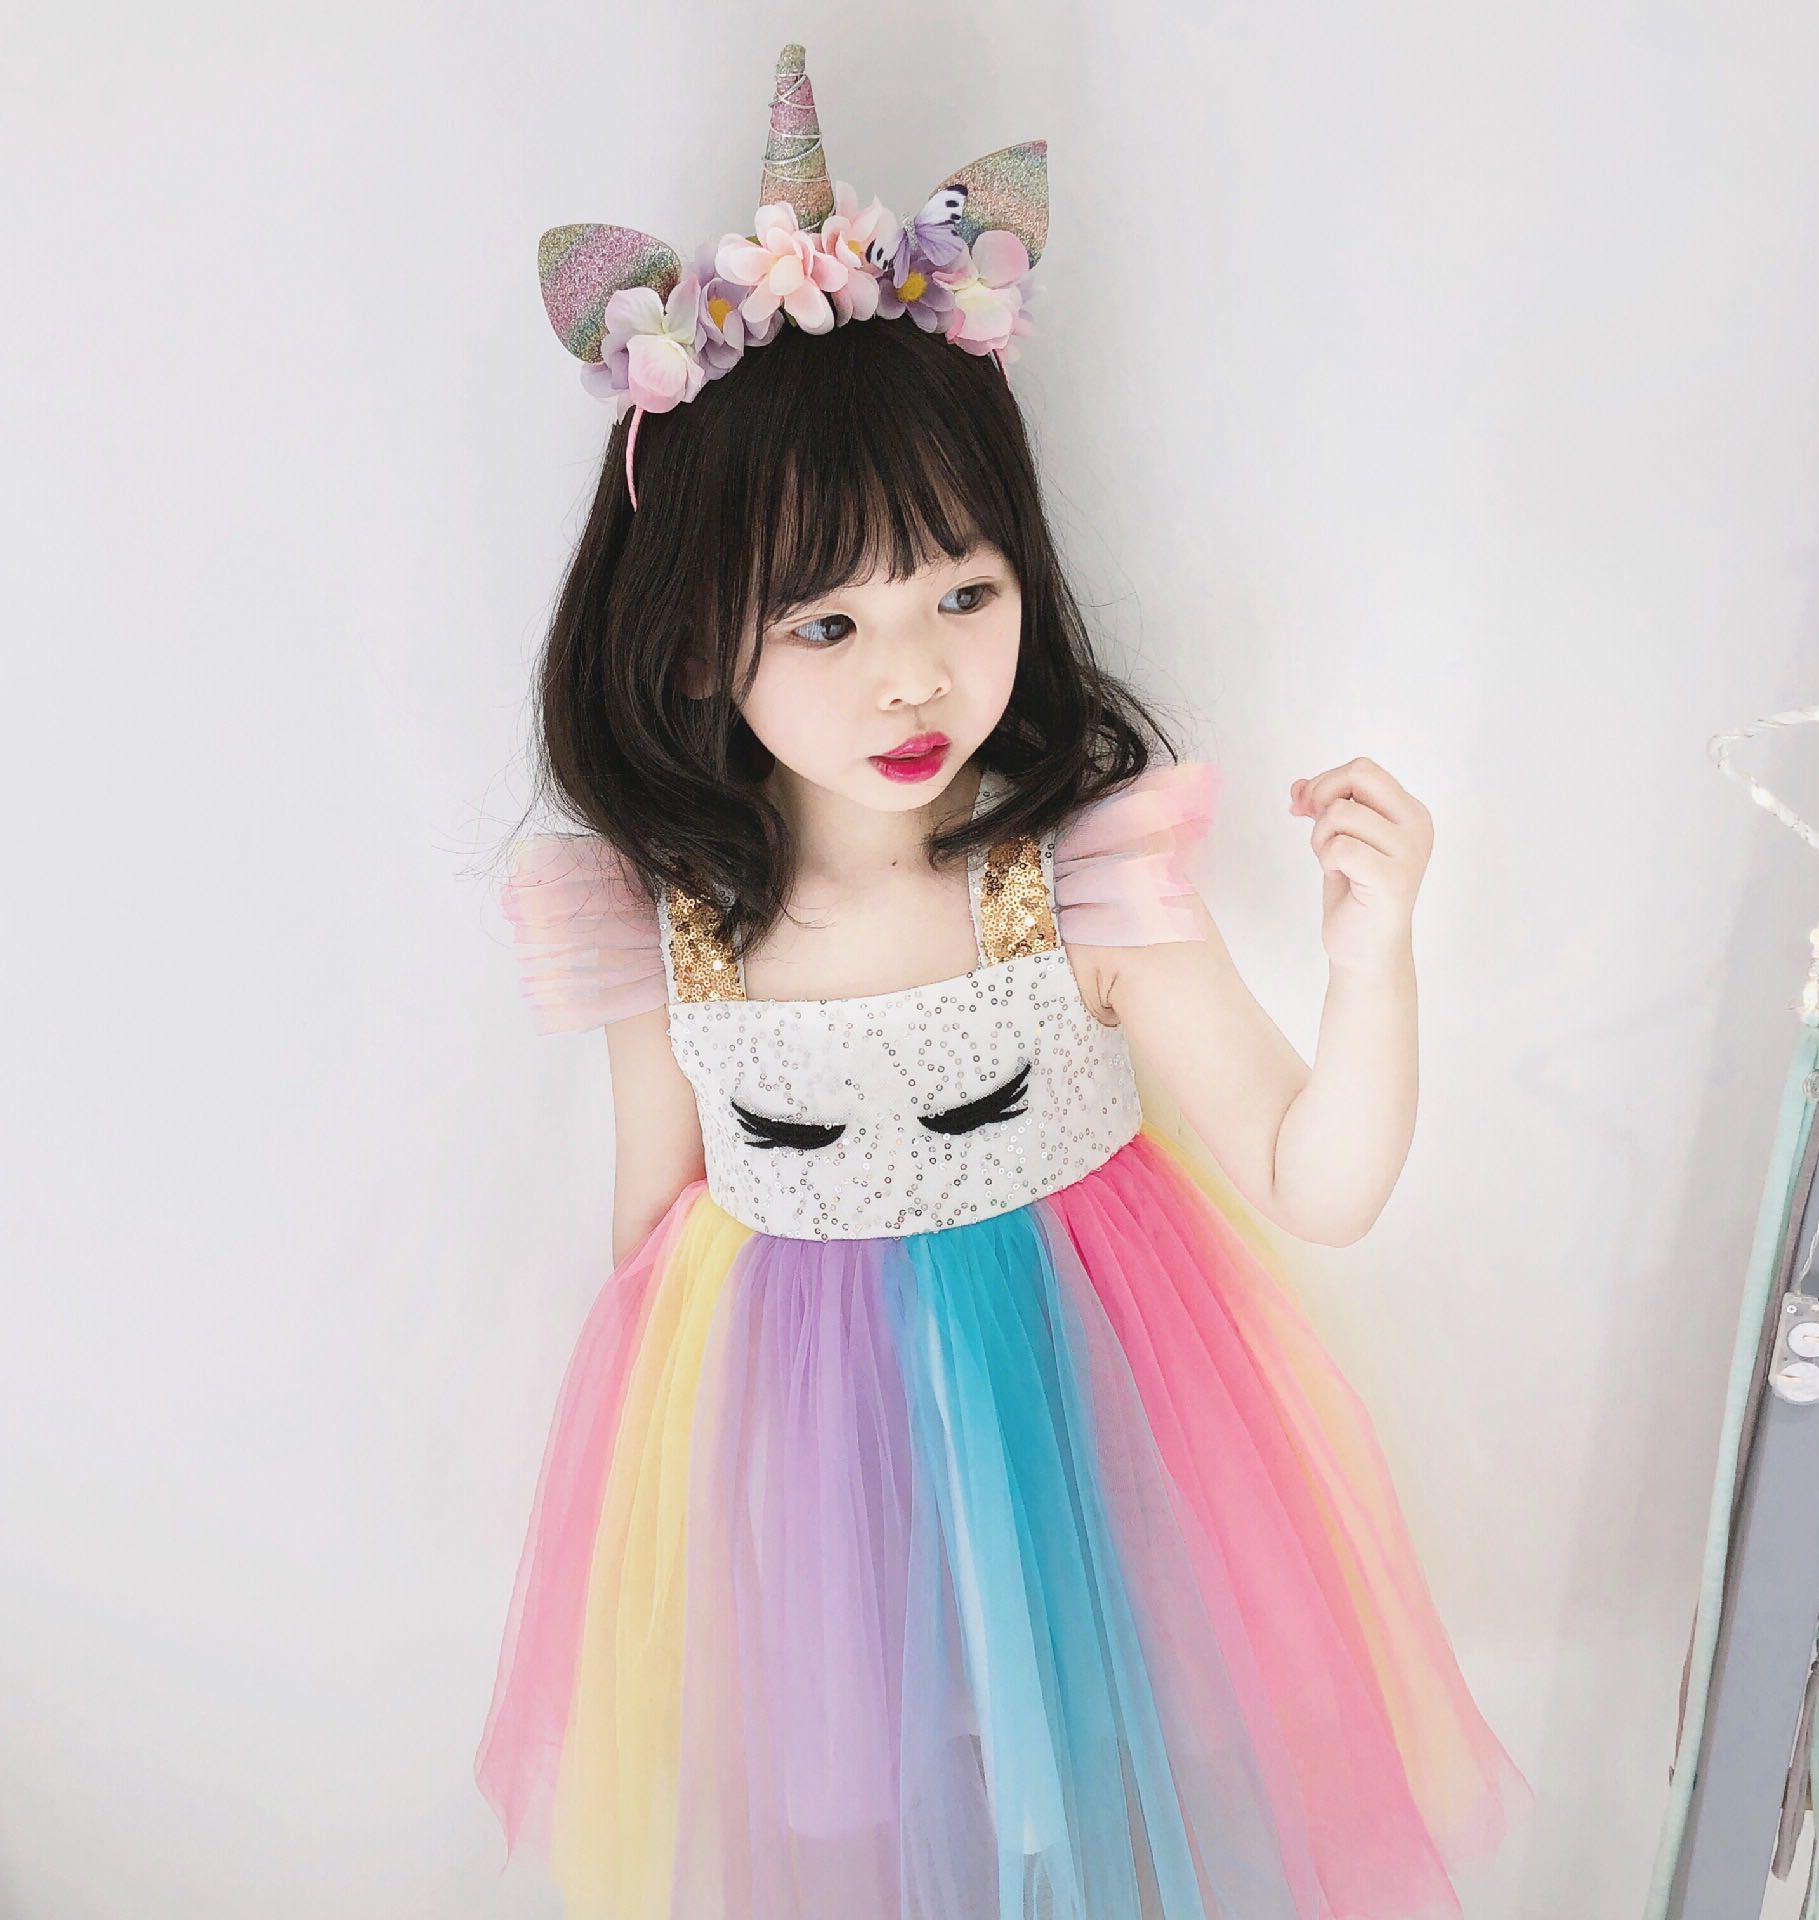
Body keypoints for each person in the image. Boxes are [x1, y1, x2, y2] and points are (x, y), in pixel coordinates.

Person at [476, 41, 1533, 1920]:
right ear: (697, 645)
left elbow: (1313, 1183)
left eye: (962, 592)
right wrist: (688, 1551)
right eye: (828, 622)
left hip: (1091, 1445)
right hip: (813, 1488)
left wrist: (1373, 956)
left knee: (1121, 1808)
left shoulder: (1079, 878)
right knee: (874, 1841)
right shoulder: (672, 921)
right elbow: (648, 1239)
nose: (915, 676)